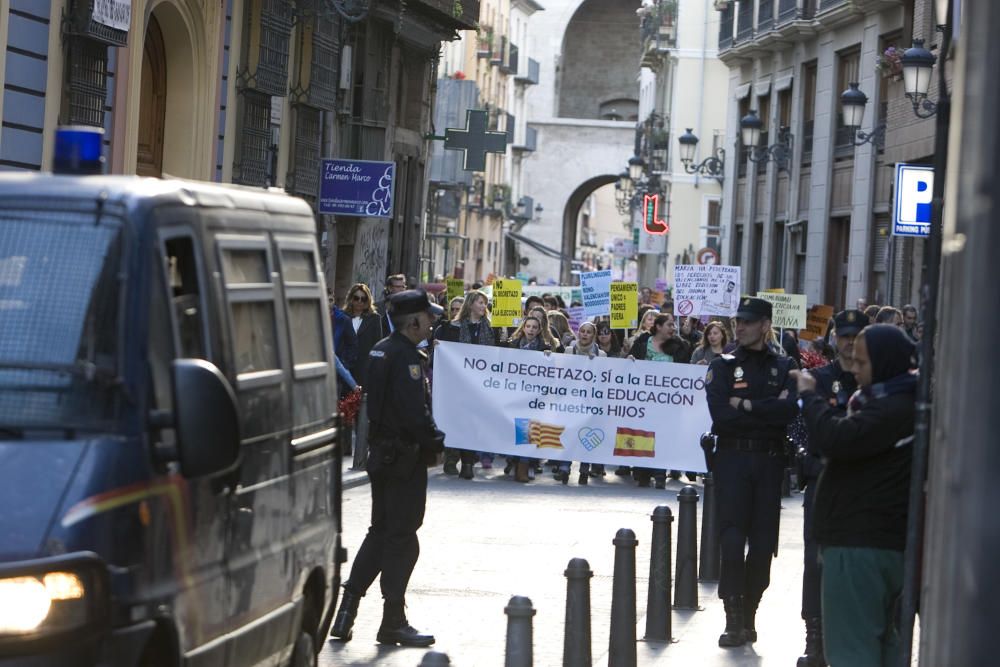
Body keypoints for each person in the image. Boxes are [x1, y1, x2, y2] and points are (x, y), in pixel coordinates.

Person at [791, 325, 916, 667]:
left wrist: (809, 396)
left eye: (862, 361)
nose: (854, 368)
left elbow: (837, 438)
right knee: (881, 644)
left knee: (852, 650)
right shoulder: (893, 402)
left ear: (885, 363)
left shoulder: (892, 408)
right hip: (875, 541)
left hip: (860, 544)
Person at [331, 289, 445, 648]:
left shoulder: (381, 348)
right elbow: (414, 414)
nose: (431, 323)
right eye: (427, 317)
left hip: (381, 454)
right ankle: (393, 620)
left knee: (380, 533)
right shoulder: (406, 356)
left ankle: (347, 610)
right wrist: (436, 442)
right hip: (403, 458)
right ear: (413, 321)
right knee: (401, 539)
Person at [704, 297, 798, 648]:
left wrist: (745, 406)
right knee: (730, 542)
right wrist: (764, 412)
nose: (738, 328)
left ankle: (751, 612)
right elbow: (720, 415)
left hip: (769, 461)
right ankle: (732, 617)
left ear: (764, 325)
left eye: (746, 322)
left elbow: (788, 411)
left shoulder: (784, 364)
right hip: (731, 459)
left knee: (761, 546)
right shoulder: (724, 365)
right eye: (736, 322)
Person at [794, 309, 864, 667]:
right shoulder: (819, 378)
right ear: (834, 338)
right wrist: (807, 463)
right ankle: (815, 639)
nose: (849, 343)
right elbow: (801, 427)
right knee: (816, 562)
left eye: (856, 336)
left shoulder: (873, 380)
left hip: (862, 486)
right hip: (823, 480)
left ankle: (848, 638)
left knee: (855, 564)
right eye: (844, 335)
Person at [433, 289, 502, 477]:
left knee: (473, 423)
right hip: (456, 384)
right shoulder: (451, 327)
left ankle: (468, 463)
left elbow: (502, 352)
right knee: (456, 421)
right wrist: (438, 348)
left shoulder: (492, 328)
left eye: (485, 303)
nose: (483, 306)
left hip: (480, 385)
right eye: (480, 302)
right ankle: (451, 458)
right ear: (471, 304)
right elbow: (440, 354)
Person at [628, 313, 691, 488]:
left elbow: (686, 372)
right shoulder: (642, 343)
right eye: (670, 325)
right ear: (658, 327)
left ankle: (660, 472)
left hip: (668, 403)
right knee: (644, 434)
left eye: (674, 325)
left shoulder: (680, 346)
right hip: (644, 401)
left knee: (664, 435)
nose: (674, 328)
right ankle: (642, 472)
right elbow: (630, 362)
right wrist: (630, 360)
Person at [557, 322, 606, 485]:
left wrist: (596, 364)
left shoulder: (602, 355)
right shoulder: (569, 351)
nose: (584, 334)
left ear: (594, 335)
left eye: (588, 332)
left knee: (587, 435)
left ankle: (584, 470)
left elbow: (605, 380)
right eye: (582, 331)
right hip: (571, 401)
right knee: (569, 434)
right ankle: (565, 467)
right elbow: (562, 373)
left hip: (591, 403)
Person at [506, 315, 553, 482]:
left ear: (539, 330)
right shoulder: (512, 345)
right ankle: (513, 462)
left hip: (534, 395)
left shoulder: (544, 348)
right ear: (523, 328)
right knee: (513, 429)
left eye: (535, 327)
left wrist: (549, 357)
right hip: (515, 394)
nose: (531, 329)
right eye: (528, 326)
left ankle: (524, 467)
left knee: (528, 429)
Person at [344, 283, 384, 388]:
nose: (359, 302)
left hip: (364, 371)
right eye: (356, 298)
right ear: (351, 299)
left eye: (363, 299)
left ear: (368, 301)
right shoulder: (343, 316)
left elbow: (377, 345)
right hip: (345, 369)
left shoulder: (374, 319)